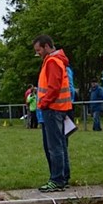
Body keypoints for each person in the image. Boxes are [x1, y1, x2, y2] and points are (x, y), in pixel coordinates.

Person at [33, 35, 72, 192]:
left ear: (47, 46)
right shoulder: (58, 60)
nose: (38, 54)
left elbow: (53, 87)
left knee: (54, 146)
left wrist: (43, 103)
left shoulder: (52, 61)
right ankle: (63, 177)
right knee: (61, 144)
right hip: (60, 108)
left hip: (52, 109)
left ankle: (57, 179)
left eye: (39, 50)